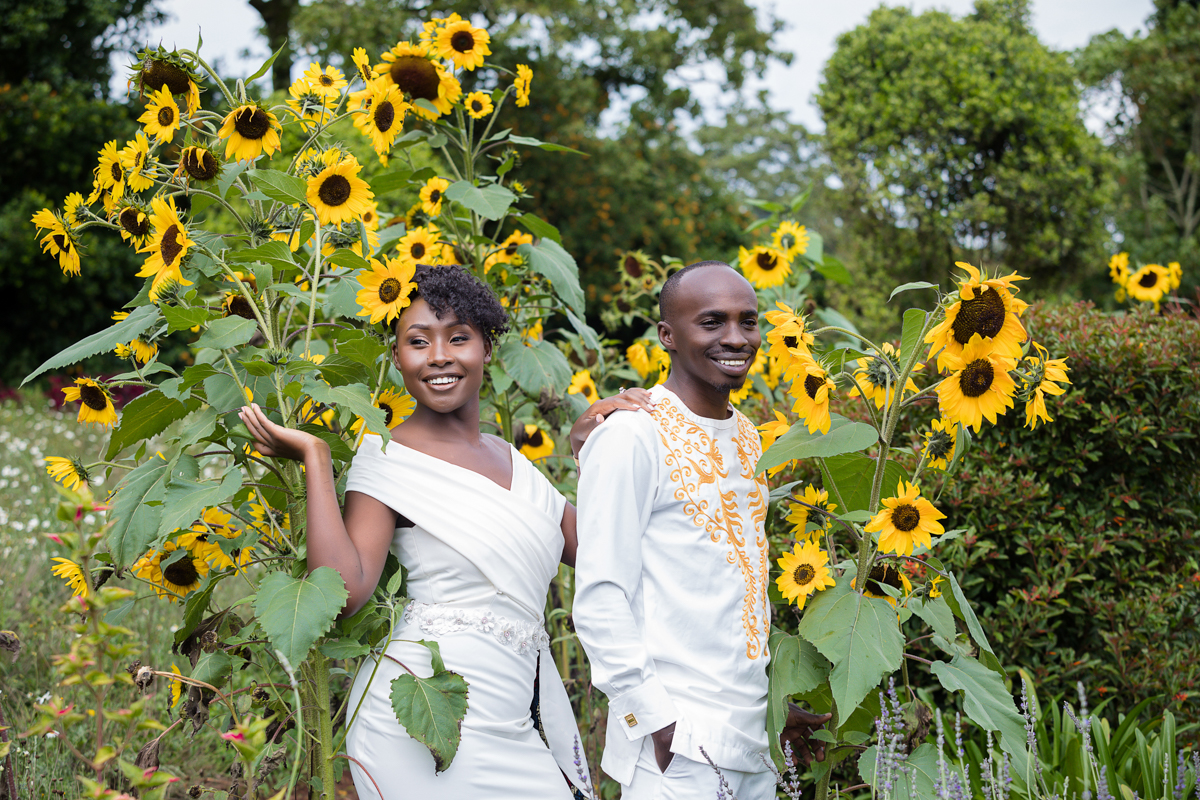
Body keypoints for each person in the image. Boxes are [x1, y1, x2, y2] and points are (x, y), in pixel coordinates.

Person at [238, 264, 651, 798]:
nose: (438, 356)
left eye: (459, 337)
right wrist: (316, 458)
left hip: (513, 718)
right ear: (396, 358)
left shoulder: (513, 461)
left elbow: (603, 550)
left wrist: (588, 453)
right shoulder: (386, 457)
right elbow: (344, 593)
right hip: (421, 717)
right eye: (417, 341)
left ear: (487, 348)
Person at [572, 260, 831, 799]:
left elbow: (733, 590)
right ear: (667, 335)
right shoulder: (632, 434)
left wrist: (775, 707)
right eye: (712, 322)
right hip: (679, 753)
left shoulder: (749, 438)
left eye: (748, 321)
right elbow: (601, 596)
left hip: (755, 742)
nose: (736, 338)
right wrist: (659, 724)